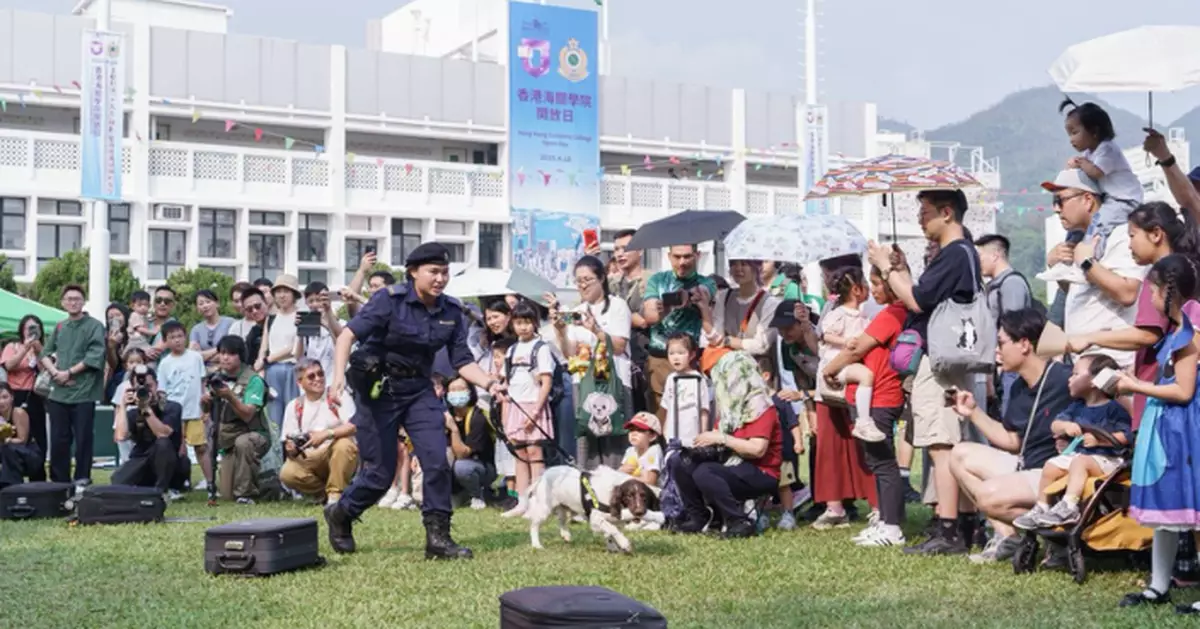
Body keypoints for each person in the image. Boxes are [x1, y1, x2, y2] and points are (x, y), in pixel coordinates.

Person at [324, 242, 506, 558]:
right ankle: (341, 513)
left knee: (436, 461)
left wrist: (490, 381)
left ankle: (438, 538)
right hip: (379, 391)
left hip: (420, 389)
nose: (440, 279)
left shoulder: (451, 310)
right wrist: (338, 377)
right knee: (380, 474)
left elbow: (462, 360)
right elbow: (347, 335)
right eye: (433, 272)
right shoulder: (388, 300)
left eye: (445, 272)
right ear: (413, 273)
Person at [867, 189, 986, 555]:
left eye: (926, 212)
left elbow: (917, 301)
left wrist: (885, 267)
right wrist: (902, 270)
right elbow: (923, 292)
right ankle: (959, 523)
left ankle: (948, 529)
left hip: (939, 362)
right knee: (944, 441)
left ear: (947, 213)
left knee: (941, 444)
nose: (920, 218)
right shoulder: (960, 254)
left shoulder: (955, 253)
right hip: (943, 358)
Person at [947, 308, 1074, 564]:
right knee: (958, 455)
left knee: (986, 496)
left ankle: (1058, 539)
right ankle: (1009, 537)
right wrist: (972, 412)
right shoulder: (1017, 386)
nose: (996, 351)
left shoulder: (1065, 380)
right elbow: (1013, 441)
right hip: (1027, 467)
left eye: (1002, 343)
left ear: (1024, 344)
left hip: (1053, 475)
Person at [1110, 255, 1200, 612]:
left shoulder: (1191, 332)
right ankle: (1157, 586)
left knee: (1193, 509)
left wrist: (1136, 386)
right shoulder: (1180, 330)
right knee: (1169, 509)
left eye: (1151, 290)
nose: (1148, 298)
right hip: (1171, 431)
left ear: (1167, 290)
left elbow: (1183, 390)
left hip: (1186, 431)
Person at [822, 263, 910, 547]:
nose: (872, 289)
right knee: (876, 461)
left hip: (882, 396)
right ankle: (885, 521)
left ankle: (893, 527)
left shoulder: (893, 313)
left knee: (883, 463)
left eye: (876, 283)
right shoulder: (890, 313)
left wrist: (829, 369)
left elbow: (855, 347)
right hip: (876, 394)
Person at [668, 351, 783, 539]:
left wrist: (721, 438)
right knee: (681, 461)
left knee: (705, 471)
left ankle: (738, 521)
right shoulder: (731, 408)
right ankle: (698, 516)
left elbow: (757, 449)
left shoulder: (762, 407)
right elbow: (720, 441)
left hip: (762, 470)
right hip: (732, 463)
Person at [1013, 354, 1130, 530]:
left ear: (1094, 381)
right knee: (1051, 465)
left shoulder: (1114, 409)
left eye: (1076, 374)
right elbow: (1054, 425)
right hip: (1081, 457)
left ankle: (1070, 506)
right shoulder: (1077, 407)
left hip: (1108, 460)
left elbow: (1127, 436)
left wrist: (1101, 441)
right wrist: (1065, 426)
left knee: (1079, 462)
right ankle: (1042, 506)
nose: (1070, 378)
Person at [1044, 169, 1146, 368]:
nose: (1056, 209)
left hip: (1114, 364)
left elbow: (1127, 293)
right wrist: (1058, 268)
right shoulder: (1079, 240)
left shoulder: (1121, 235)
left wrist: (1087, 263)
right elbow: (1077, 293)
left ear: (1088, 200)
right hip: (1084, 364)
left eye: (1061, 200)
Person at [551, 255, 633, 468]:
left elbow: (619, 345)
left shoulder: (617, 306)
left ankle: (617, 492)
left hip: (613, 382)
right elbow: (570, 352)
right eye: (578, 281)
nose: (583, 285)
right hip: (584, 382)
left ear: (602, 278)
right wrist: (560, 329)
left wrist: (595, 330)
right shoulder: (577, 311)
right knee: (586, 443)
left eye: (588, 279)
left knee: (613, 442)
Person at [642, 244, 719, 420]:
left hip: (692, 359)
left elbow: (706, 292)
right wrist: (667, 307)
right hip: (660, 358)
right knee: (661, 418)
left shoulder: (706, 281)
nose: (682, 262)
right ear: (669, 256)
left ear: (698, 255)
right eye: (677, 257)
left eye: (687, 257)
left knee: (691, 415)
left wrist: (690, 296)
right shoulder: (657, 280)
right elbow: (650, 315)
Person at [40, 285, 106, 487]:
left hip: (84, 391)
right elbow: (44, 353)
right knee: (59, 439)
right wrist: (55, 373)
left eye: (77, 299)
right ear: (62, 302)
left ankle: (82, 478)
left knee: (83, 438)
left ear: (83, 301)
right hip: (58, 392)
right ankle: (59, 481)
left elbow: (94, 356)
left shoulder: (95, 325)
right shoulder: (60, 327)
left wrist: (68, 372)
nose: (73, 302)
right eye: (69, 299)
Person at [1059, 99, 1141, 257]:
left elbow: (1096, 172)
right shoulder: (1089, 153)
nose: (1071, 139)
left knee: (1101, 223)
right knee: (1079, 224)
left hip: (1124, 200)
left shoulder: (1107, 149)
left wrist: (1080, 163)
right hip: (1109, 198)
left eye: (1075, 132)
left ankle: (1092, 256)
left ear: (1094, 132)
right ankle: (1070, 255)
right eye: (1069, 134)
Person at [499, 302, 555, 518]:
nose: (523, 327)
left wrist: (535, 413)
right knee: (519, 454)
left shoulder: (541, 348)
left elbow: (546, 383)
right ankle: (522, 501)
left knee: (534, 452)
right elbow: (507, 380)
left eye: (527, 322)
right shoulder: (511, 350)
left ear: (535, 323)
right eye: (519, 323)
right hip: (514, 405)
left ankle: (539, 501)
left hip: (534, 405)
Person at [279, 359, 359, 505]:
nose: (318, 379)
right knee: (287, 473)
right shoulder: (294, 406)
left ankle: (335, 495)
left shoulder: (337, 395)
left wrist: (326, 434)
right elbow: (288, 440)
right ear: (299, 383)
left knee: (344, 445)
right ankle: (322, 493)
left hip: (335, 450)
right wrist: (291, 448)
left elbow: (354, 425)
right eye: (311, 376)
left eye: (320, 374)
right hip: (310, 455)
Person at [818, 267, 883, 443]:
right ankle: (863, 421)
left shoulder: (863, 315)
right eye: (866, 284)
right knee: (866, 376)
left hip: (851, 361)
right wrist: (845, 341)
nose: (869, 288)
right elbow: (825, 334)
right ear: (856, 289)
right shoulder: (839, 314)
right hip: (837, 362)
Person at [208, 335, 272, 505]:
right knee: (227, 495)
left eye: (231, 353)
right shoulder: (217, 378)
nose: (225, 357)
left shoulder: (253, 380)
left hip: (254, 434)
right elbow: (209, 412)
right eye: (222, 353)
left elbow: (248, 414)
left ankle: (247, 494)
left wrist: (230, 397)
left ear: (240, 356)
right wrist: (205, 402)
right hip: (228, 439)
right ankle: (266, 483)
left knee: (244, 443)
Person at [112, 366, 188, 497]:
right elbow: (120, 436)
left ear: (157, 385)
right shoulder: (133, 412)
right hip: (143, 459)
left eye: (149, 386)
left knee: (163, 443)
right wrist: (122, 407)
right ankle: (148, 487)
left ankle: (161, 490)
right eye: (140, 387)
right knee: (118, 480)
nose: (146, 391)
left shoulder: (171, 407)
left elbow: (163, 433)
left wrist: (145, 408)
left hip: (169, 462)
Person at [156, 322, 210, 493]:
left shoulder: (195, 358)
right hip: (174, 414)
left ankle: (210, 482)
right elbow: (162, 391)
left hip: (194, 411)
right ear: (165, 341)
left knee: (201, 447)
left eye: (180, 336)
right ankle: (180, 483)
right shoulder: (165, 363)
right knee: (178, 450)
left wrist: (204, 407)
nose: (177, 340)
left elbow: (202, 383)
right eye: (172, 337)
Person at [2, 315, 47, 477]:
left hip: (35, 394)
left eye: (35, 327)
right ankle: (13, 474)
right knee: (14, 434)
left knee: (38, 435)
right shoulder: (12, 346)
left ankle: (39, 476)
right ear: (21, 329)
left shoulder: (43, 348)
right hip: (14, 395)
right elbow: (9, 366)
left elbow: (47, 371)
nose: (32, 331)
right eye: (28, 327)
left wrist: (39, 351)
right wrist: (25, 349)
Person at [443, 375, 495, 510]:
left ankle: (477, 495)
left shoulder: (478, 416)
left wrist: (454, 429)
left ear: (470, 392)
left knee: (462, 467)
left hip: (479, 466)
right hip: (452, 463)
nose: (456, 393)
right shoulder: (446, 414)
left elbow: (463, 454)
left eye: (461, 389)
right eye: (452, 390)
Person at [259, 274, 302, 428]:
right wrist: (260, 363)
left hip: (292, 369)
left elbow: (294, 347)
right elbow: (265, 344)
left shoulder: (300, 316)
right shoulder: (271, 318)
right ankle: (276, 450)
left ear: (294, 294)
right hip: (271, 370)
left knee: (293, 415)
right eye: (278, 291)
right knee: (273, 415)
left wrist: (268, 359)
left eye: (286, 291)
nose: (282, 295)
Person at [659, 332, 711, 446]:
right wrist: (665, 430)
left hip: (692, 436)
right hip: (673, 436)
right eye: (671, 353)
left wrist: (704, 433)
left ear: (691, 355)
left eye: (681, 353)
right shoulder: (670, 378)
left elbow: (704, 409)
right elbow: (667, 406)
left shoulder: (698, 379)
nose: (676, 357)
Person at [294, 281, 344, 378]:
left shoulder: (340, 323)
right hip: (312, 380)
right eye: (311, 301)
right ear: (306, 302)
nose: (315, 304)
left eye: (319, 300)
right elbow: (298, 357)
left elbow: (341, 349)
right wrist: (300, 331)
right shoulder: (306, 325)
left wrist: (326, 326)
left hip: (333, 379)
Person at [0, 383, 43, 488]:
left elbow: (22, 440)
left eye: (5, 397)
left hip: (29, 455)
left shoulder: (18, 413)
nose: (1, 402)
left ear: (12, 397)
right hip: (7, 455)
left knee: (7, 448)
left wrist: (6, 440)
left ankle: (11, 487)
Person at [111, 348, 148, 464]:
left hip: (142, 423)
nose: (135, 365)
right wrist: (116, 428)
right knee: (126, 455)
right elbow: (117, 408)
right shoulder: (122, 387)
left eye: (139, 362)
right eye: (131, 362)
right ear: (126, 365)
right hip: (125, 424)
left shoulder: (148, 385)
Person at [189, 289, 234, 368]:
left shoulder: (231, 323)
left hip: (227, 371)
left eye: (208, 302)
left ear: (217, 303)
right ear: (197, 308)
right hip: (204, 373)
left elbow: (232, 352)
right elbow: (193, 357)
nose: (205, 306)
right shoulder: (196, 330)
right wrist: (218, 349)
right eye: (201, 303)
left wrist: (204, 356)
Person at [620, 412, 664, 486]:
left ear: (652, 436)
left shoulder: (654, 451)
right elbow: (621, 472)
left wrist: (625, 478)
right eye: (631, 430)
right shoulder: (630, 451)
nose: (634, 433)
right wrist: (621, 471)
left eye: (640, 430)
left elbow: (650, 482)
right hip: (634, 491)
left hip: (653, 494)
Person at [124, 290, 153, 354]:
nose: (143, 307)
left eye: (145, 305)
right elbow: (139, 329)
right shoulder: (134, 315)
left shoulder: (143, 316)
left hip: (141, 341)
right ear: (132, 306)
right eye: (139, 305)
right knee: (151, 351)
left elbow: (147, 321)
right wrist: (152, 332)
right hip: (136, 340)